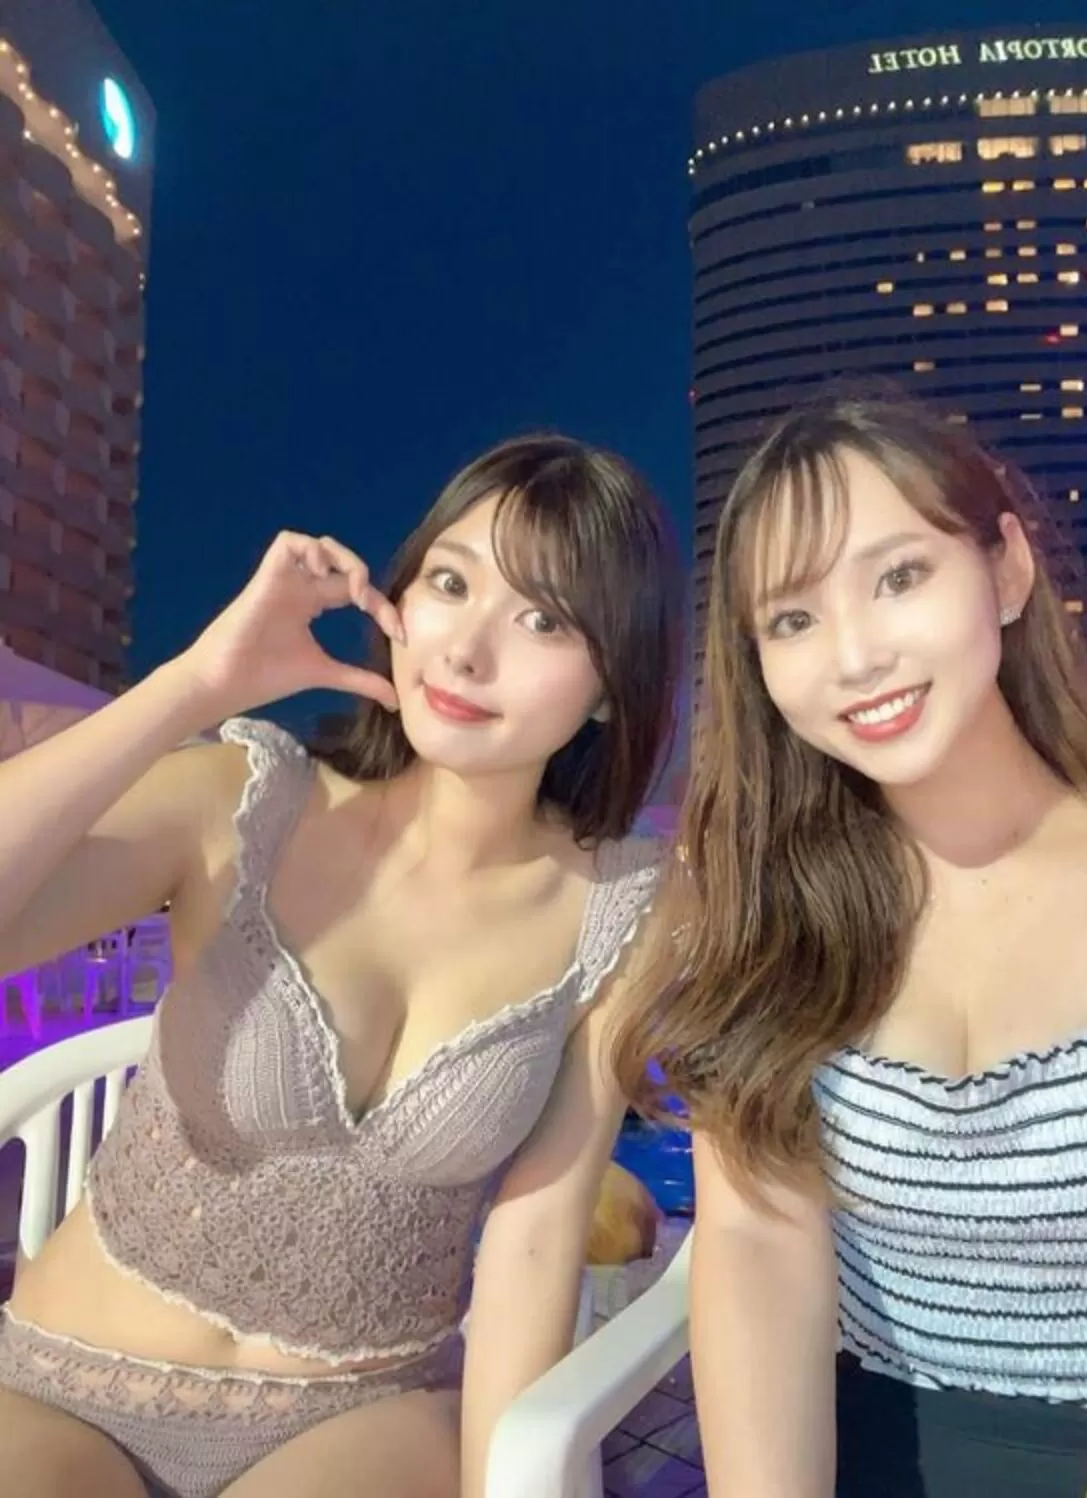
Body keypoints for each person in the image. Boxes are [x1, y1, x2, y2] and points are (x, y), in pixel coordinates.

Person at [0, 432, 679, 1498]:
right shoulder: (247, 798)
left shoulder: (620, 906)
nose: (466, 652)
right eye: (450, 584)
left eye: (544, 619)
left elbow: (537, 1243)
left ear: (610, 684)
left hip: (361, 1421)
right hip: (68, 1385)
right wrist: (193, 684)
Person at [614, 386, 1087, 1498]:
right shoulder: (771, 910)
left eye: (898, 577)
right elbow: (757, 1250)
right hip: (862, 1448)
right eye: (793, 620)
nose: (855, 655)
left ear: (1007, 572)